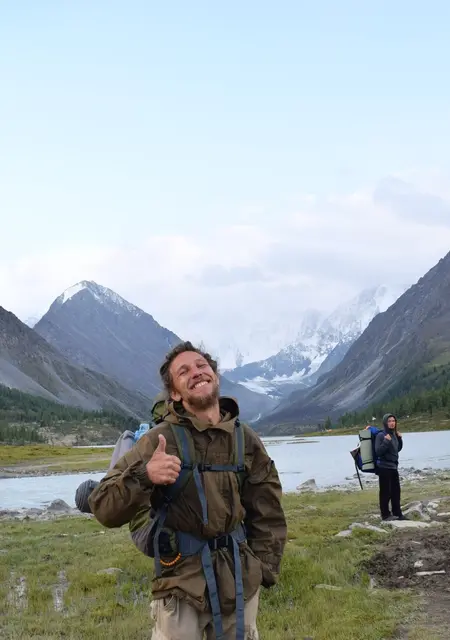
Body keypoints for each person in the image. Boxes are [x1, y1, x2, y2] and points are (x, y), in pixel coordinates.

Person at [88, 341, 287, 640]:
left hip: (239, 583)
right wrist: (145, 475)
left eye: (201, 366)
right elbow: (103, 506)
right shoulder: (158, 440)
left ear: (215, 376)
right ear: (175, 394)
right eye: (183, 372)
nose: (196, 372)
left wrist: (262, 570)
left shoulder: (245, 439)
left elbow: (268, 509)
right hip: (179, 585)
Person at [374, 413, 407, 521]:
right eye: (389, 421)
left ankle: (397, 513)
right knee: (385, 492)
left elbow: (396, 450)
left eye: (393, 421)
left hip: (393, 467)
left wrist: (400, 439)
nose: (392, 423)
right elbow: (378, 451)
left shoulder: (394, 434)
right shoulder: (381, 435)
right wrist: (386, 441)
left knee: (396, 492)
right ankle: (385, 515)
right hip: (384, 468)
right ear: (385, 423)